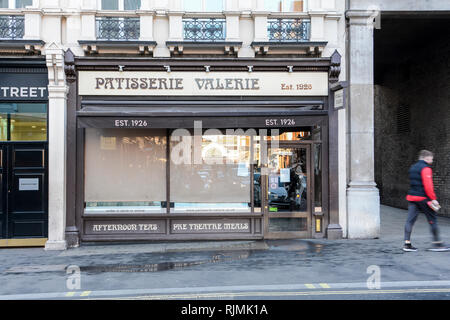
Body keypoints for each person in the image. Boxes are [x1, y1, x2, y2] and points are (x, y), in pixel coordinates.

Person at [403, 150, 449, 252]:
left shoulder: (412, 168)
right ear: (426, 158)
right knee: (432, 220)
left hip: (412, 197)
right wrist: (433, 199)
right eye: (431, 159)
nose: (432, 161)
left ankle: (407, 244)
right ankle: (437, 244)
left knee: (410, 221)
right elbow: (428, 186)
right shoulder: (426, 168)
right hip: (423, 198)